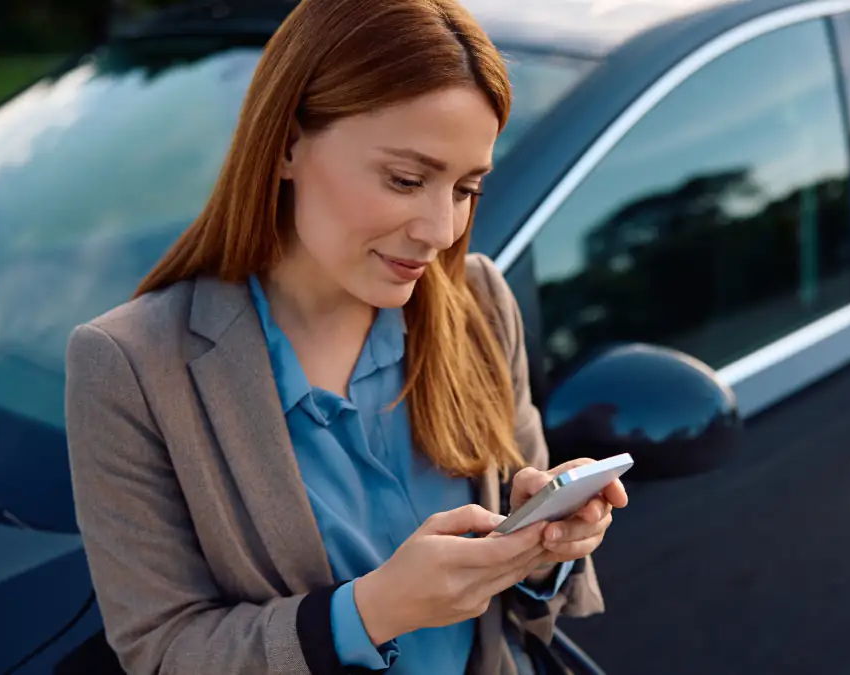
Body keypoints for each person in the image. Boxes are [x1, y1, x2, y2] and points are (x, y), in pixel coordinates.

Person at [63, 0, 627, 673]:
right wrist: (374, 609)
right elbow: (164, 651)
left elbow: (529, 615)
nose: (440, 230)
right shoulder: (132, 367)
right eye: (407, 179)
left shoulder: (479, 304)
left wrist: (543, 545)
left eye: (466, 187)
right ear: (288, 144)